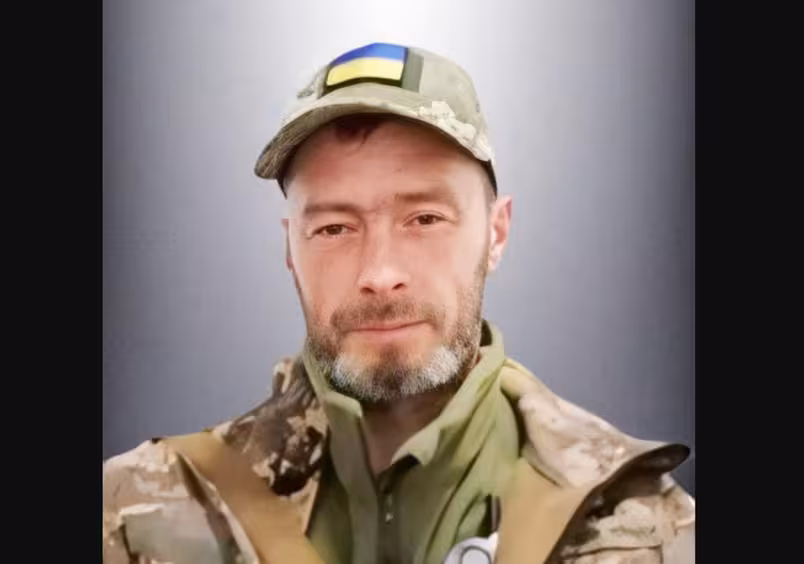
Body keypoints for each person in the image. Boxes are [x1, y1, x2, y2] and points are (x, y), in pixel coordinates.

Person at [103, 42, 695, 564]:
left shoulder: (651, 528)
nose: (380, 274)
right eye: (334, 228)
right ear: (290, 249)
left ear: (496, 234)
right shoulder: (134, 514)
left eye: (425, 219)